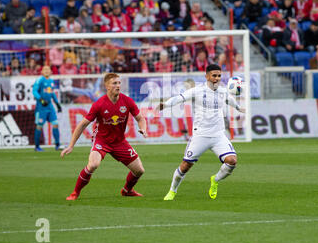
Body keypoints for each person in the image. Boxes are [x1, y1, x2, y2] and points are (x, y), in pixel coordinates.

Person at [157, 64, 245, 201]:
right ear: (207, 76)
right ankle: (172, 191)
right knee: (185, 166)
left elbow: (230, 100)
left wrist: (239, 108)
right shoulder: (197, 91)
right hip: (200, 136)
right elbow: (179, 97)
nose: (216, 78)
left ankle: (215, 180)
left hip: (218, 136)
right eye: (214, 75)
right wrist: (166, 104)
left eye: (219, 75)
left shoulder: (223, 91)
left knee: (232, 161)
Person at [61, 73, 147, 201]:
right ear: (107, 86)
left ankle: (127, 191)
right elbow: (82, 124)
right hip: (102, 140)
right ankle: (75, 193)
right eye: (114, 83)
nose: (118, 86)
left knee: (139, 170)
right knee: (93, 165)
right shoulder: (99, 104)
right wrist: (71, 145)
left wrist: (143, 128)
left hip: (119, 142)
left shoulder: (127, 101)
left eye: (119, 83)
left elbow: (140, 118)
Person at [32, 65, 62, 152]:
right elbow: (34, 91)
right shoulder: (40, 80)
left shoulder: (51, 81)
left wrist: (57, 104)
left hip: (50, 106)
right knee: (39, 126)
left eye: (48, 69)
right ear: (41, 72)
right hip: (41, 107)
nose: (46, 71)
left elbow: (52, 93)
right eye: (44, 69)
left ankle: (57, 145)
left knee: (55, 124)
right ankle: (37, 147)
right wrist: (41, 100)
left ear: (51, 72)